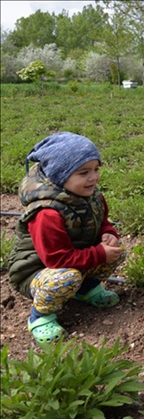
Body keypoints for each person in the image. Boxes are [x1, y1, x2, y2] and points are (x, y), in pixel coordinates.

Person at [8, 132, 125, 344]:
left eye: (96, 169)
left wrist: (109, 234)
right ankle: (40, 317)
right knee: (64, 279)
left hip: (72, 260)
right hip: (36, 272)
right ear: (61, 175)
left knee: (116, 252)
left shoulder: (91, 196)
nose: (94, 177)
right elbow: (56, 260)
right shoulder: (47, 213)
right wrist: (99, 253)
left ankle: (85, 290)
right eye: (83, 172)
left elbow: (102, 221)